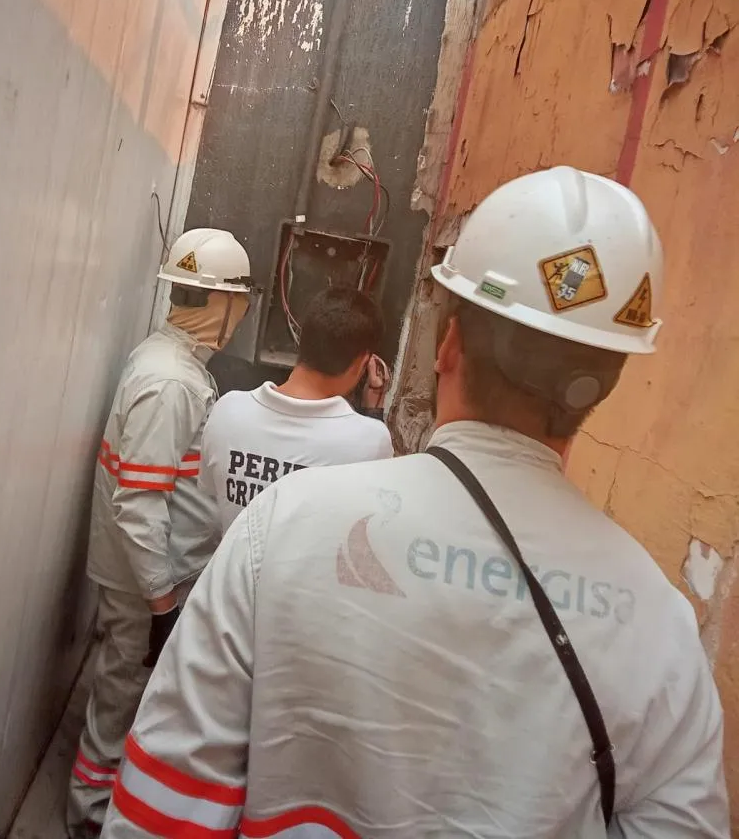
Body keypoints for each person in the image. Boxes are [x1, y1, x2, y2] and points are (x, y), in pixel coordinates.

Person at [101, 168, 729, 839]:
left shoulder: (281, 530)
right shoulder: (661, 626)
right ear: (605, 383)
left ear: (449, 345)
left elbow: (159, 812)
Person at [67, 228, 253, 838]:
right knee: (122, 697)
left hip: (149, 575)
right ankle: (90, 817)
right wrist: (161, 602)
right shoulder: (172, 382)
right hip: (147, 581)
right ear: (221, 304)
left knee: (126, 690)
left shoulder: (169, 360)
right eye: (237, 300)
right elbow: (140, 504)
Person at [200, 286, 393, 534]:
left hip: (231, 571)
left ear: (302, 342)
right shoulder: (371, 439)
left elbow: (211, 494)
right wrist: (372, 411)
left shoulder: (227, 410)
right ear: (362, 363)